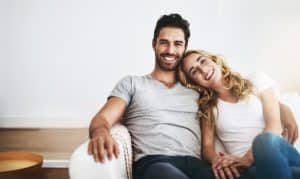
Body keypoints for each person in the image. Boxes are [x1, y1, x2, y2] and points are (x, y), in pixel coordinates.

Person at [88, 14, 214, 179]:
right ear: (154, 44)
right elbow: (102, 119)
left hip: (195, 166)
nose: (170, 50)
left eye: (177, 44)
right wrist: (100, 133)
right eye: (164, 43)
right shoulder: (132, 83)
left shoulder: (197, 90)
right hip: (154, 165)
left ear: (185, 47)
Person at [178, 49, 300, 179]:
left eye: (203, 61)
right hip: (248, 170)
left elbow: (274, 126)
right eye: (194, 71)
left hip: (278, 154)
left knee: (264, 140)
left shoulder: (256, 80)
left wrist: (247, 159)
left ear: (214, 60)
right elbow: (207, 148)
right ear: (195, 83)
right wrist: (217, 161)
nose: (203, 70)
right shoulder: (208, 108)